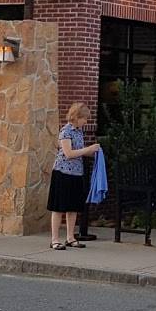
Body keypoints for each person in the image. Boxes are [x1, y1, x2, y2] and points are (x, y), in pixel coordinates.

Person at [48, 102, 100, 250]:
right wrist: (87, 149)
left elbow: (79, 151)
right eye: (84, 118)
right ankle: (55, 240)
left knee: (73, 207)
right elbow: (69, 153)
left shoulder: (79, 131)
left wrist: (94, 152)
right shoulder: (66, 131)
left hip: (76, 173)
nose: (86, 121)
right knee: (58, 207)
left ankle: (70, 238)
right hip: (62, 173)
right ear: (77, 117)